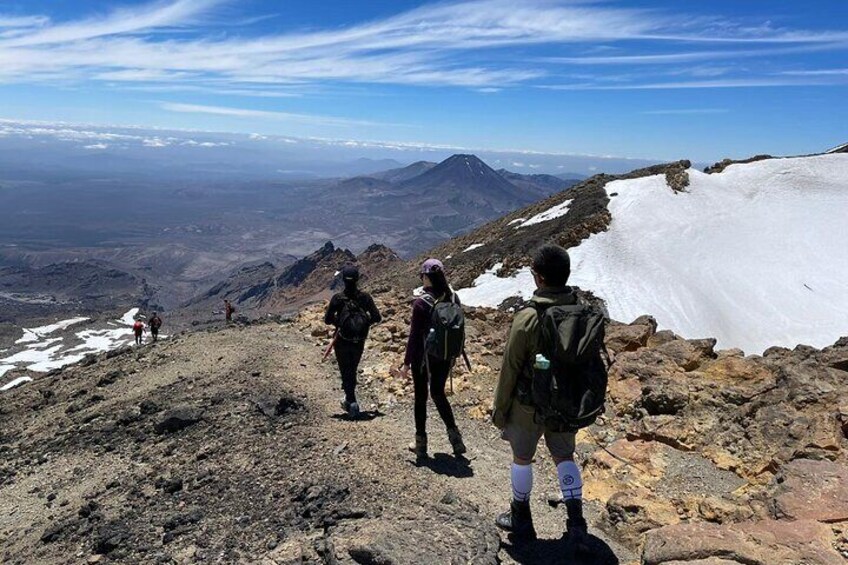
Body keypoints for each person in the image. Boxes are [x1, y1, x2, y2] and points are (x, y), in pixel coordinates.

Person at [492, 244, 590, 548]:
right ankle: (576, 522)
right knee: (564, 456)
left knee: (522, 458)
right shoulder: (584, 313)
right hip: (567, 402)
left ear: (539, 278)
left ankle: (521, 519)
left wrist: (500, 409)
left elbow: (510, 366)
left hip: (528, 404)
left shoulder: (529, 317)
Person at [399, 258, 467, 459]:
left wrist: (406, 363)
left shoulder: (422, 303)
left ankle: (420, 444)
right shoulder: (453, 298)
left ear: (427, 277)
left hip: (423, 358)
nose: (421, 279)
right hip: (445, 355)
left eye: (422, 276)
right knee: (438, 392)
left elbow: (414, 336)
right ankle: (456, 438)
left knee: (420, 398)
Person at [324, 265, 382, 418]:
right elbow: (377, 317)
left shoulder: (338, 298)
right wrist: (364, 323)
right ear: (358, 279)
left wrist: (340, 323)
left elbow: (327, 319)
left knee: (345, 369)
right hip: (359, 340)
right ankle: (350, 399)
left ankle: (352, 401)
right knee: (353, 368)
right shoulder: (365, 297)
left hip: (342, 339)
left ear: (343, 280)